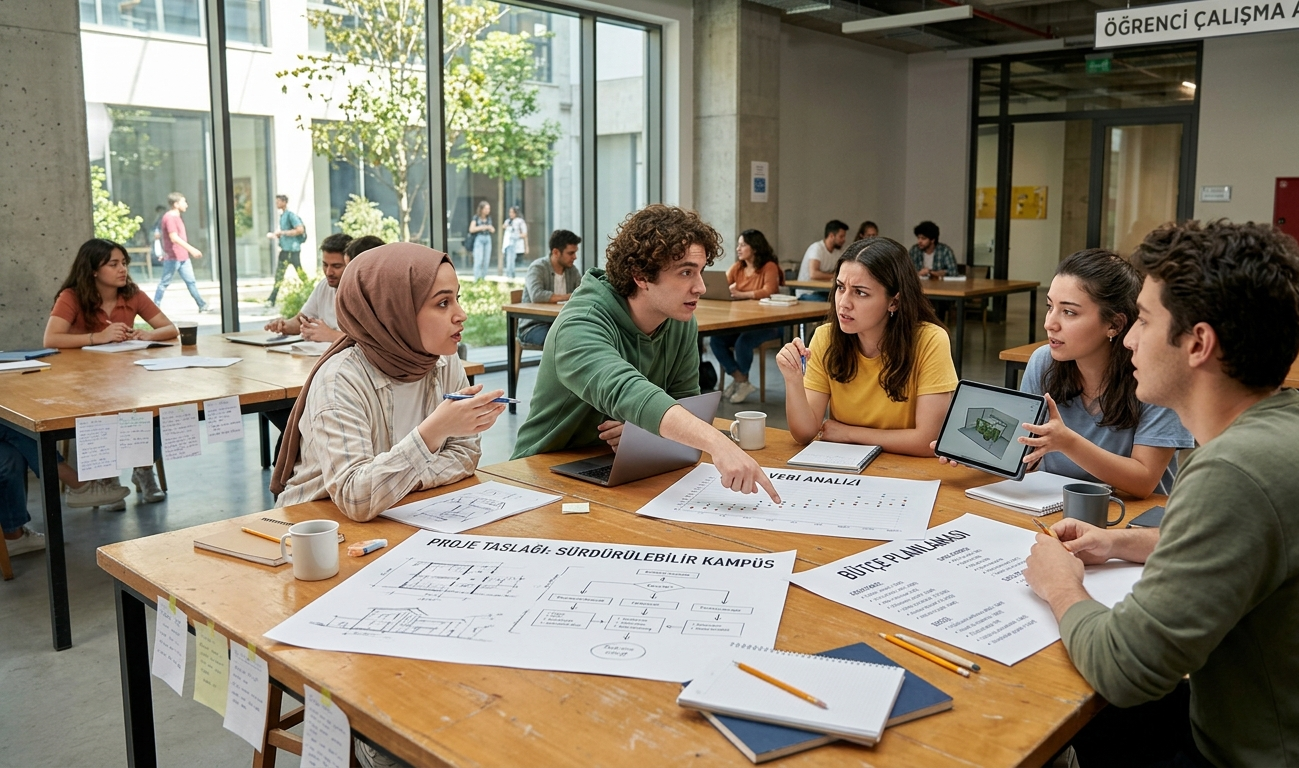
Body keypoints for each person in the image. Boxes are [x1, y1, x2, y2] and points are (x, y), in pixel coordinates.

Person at [1024, 220, 1299, 768]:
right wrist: (1122, 542)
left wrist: (1059, 586)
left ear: (1198, 343)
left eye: (1143, 322)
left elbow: (1125, 669)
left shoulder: (1231, 471)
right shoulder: (1279, 432)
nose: (1128, 339)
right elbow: (1244, 541)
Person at [511, 204, 781, 503]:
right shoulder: (580, 323)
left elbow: (685, 405)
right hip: (541, 475)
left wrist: (641, 433)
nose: (701, 287)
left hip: (625, 470)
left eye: (701, 271)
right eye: (686, 272)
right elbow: (624, 389)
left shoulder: (679, 322)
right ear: (640, 276)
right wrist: (718, 442)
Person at [271, 243, 507, 521]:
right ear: (395, 311)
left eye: (457, 298)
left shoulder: (443, 361)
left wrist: (399, 482)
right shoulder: (340, 380)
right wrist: (433, 432)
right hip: (318, 527)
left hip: (401, 514)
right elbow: (356, 496)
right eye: (443, 303)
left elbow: (465, 455)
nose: (461, 314)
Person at [1015, 249, 1193, 497]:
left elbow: (1143, 481)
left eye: (1069, 312)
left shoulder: (1158, 376)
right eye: (1050, 306)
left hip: (1131, 519)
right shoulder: (1043, 363)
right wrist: (972, 452)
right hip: (1053, 510)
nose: (1050, 323)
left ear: (1114, 324)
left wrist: (1068, 442)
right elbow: (1023, 455)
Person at [777, 237, 957, 456]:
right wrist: (794, 379)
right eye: (840, 287)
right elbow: (804, 434)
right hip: (845, 469)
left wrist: (849, 434)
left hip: (909, 471)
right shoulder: (826, 338)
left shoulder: (929, 340)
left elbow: (929, 440)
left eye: (860, 292)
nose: (844, 302)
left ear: (894, 301)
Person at [43, 237, 178, 504]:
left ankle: (142, 469)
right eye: (113, 264)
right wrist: (98, 337)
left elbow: (170, 329)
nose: (122, 269)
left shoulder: (132, 294)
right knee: (104, 410)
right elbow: (51, 339)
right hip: (82, 382)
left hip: (127, 377)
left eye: (124, 263)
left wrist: (145, 334)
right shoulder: (71, 296)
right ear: (93, 269)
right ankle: (107, 477)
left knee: (158, 407)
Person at [709, 229, 785, 404]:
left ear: (755, 248)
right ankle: (740, 379)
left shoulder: (769, 266)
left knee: (743, 342)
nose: (738, 248)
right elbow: (722, 286)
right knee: (716, 340)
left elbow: (769, 291)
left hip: (769, 324)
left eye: (743, 245)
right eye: (738, 244)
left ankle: (740, 382)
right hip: (742, 322)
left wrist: (741, 294)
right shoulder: (738, 267)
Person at [265, 233, 353, 343]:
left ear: (351, 264)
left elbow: (365, 342)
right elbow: (301, 321)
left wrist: (330, 335)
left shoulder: (360, 292)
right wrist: (284, 325)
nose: (328, 272)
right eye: (325, 265)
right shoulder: (324, 286)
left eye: (336, 266)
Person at [519, 229, 582, 347]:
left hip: (562, 323)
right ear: (556, 252)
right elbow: (537, 296)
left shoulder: (572, 270)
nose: (575, 257)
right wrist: (570, 296)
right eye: (570, 253)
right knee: (561, 341)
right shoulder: (538, 268)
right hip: (534, 325)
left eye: (575, 252)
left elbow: (583, 293)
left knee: (584, 338)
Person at [153, 192, 211, 312]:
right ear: (176, 204)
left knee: (191, 282)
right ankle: (154, 307)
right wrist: (191, 249)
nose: (186, 205)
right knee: (164, 283)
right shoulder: (169, 218)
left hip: (183, 257)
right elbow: (174, 237)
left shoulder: (177, 217)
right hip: (173, 257)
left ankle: (202, 305)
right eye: (184, 202)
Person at [266, 194, 308, 306]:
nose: (276, 204)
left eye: (278, 201)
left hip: (292, 250)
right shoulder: (283, 216)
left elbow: (300, 229)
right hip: (286, 249)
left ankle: (310, 291)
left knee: (298, 272)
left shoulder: (290, 215)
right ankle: (272, 298)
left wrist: (283, 233)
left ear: (284, 202)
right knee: (280, 273)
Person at [795, 219, 848, 300]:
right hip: (807, 292)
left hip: (824, 291)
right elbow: (814, 274)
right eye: (841, 236)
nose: (844, 239)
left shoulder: (838, 251)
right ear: (831, 236)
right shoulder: (816, 249)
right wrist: (834, 276)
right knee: (832, 302)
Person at [468, 201, 495, 281]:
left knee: (486, 260)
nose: (488, 210)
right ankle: (477, 279)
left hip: (487, 238)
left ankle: (483, 278)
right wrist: (482, 227)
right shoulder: (476, 218)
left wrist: (489, 227)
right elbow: (471, 229)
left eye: (489, 208)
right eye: (486, 208)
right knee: (478, 260)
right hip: (479, 238)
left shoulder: (489, 218)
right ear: (481, 209)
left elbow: (493, 230)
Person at [501, 205, 528, 280]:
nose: (511, 214)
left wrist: (517, 235)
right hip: (508, 243)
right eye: (510, 212)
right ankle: (509, 274)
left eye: (512, 212)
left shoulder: (520, 221)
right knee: (509, 259)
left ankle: (513, 274)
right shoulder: (508, 221)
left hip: (517, 243)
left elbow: (525, 234)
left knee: (515, 260)